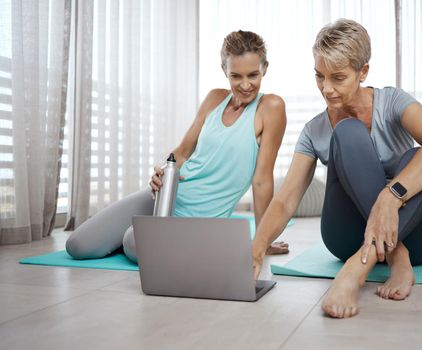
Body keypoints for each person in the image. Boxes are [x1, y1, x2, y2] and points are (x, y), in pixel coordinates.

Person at [251, 19, 422, 319]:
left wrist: (391, 197)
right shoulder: (314, 131)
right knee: (347, 132)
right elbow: (285, 200)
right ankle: (397, 255)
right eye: (319, 76)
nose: (326, 88)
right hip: (348, 236)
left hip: (419, 237)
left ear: (363, 72)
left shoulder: (393, 103)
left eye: (338, 77)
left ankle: (355, 270)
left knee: (417, 155)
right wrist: (256, 248)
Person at [66, 30, 289, 263]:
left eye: (253, 75)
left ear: (265, 68)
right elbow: (183, 152)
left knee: (132, 241)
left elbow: (262, 180)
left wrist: (263, 240)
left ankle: (148, 237)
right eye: (236, 76)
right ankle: (145, 236)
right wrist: (162, 171)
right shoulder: (214, 98)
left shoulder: (271, 107)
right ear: (225, 71)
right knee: (78, 245)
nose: (245, 85)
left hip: (199, 220)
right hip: (166, 195)